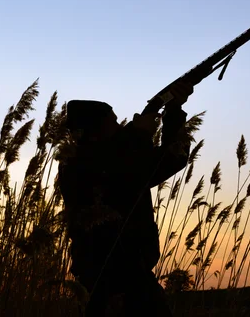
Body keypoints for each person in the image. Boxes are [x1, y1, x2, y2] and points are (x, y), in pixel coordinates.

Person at [58, 82, 194, 317]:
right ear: (96, 131)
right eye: (112, 122)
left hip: (127, 274)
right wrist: (139, 134)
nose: (120, 126)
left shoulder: (94, 159)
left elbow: (172, 158)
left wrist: (172, 111)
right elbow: (124, 169)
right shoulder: (82, 165)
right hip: (114, 277)